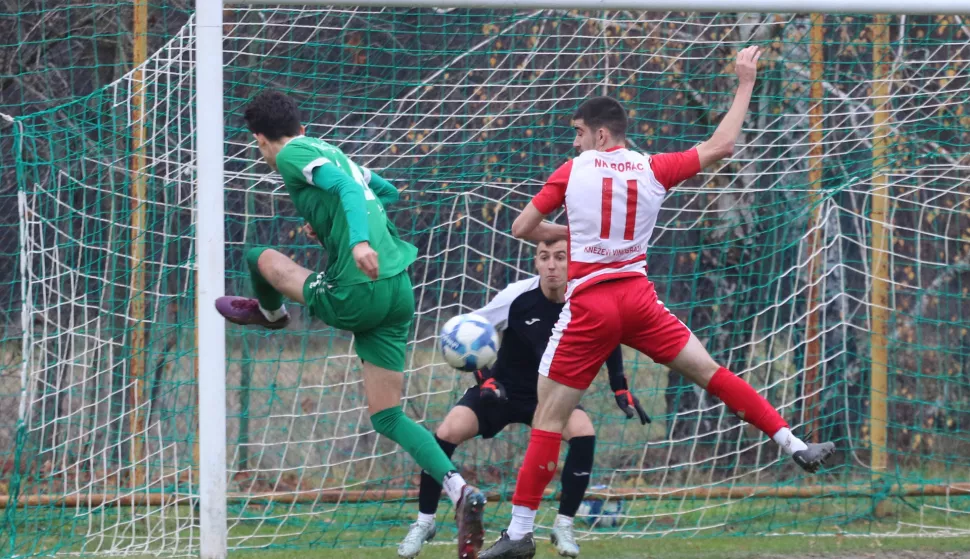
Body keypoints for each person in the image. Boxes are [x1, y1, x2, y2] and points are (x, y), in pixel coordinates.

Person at [479, 46, 836, 559]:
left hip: (592, 305)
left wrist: (575, 236)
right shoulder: (653, 168)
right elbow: (722, 144)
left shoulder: (572, 170)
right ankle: (792, 442)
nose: (575, 141)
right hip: (639, 299)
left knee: (549, 416)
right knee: (710, 371)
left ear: (600, 134)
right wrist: (744, 82)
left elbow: (522, 228)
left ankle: (518, 533)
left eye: (579, 132)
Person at [215, 90, 486, 559]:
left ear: (260, 138)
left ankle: (273, 316)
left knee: (258, 257)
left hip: (358, 288)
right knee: (386, 415)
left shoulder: (293, 153)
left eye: (258, 144)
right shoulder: (330, 148)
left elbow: (342, 190)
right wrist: (337, 227)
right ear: (300, 122)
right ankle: (460, 490)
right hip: (397, 288)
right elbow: (385, 192)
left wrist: (357, 241)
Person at [398, 239, 649, 559]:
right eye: (545, 257)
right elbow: (468, 333)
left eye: (560, 257)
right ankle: (425, 522)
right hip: (502, 389)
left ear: (573, 262)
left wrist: (619, 386)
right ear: (536, 261)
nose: (552, 265)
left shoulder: (584, 297)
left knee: (583, 433)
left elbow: (610, 334)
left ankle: (564, 525)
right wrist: (486, 380)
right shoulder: (517, 296)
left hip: (552, 394)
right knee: (446, 432)